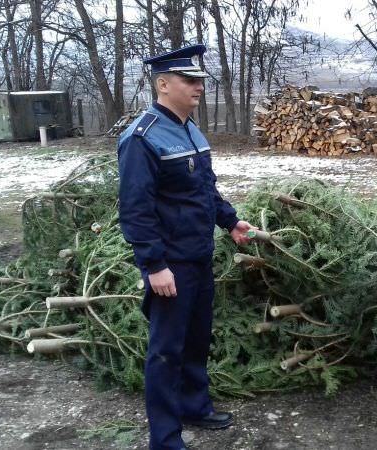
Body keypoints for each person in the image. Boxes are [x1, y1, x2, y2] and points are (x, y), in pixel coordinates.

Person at [117, 44, 254, 450]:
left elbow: (204, 189)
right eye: (189, 80)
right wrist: (154, 264)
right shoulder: (141, 138)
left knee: (196, 339)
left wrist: (229, 221)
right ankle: (164, 437)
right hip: (170, 264)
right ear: (163, 84)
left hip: (199, 256)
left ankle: (195, 406)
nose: (198, 87)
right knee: (166, 351)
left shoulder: (190, 128)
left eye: (200, 81)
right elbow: (135, 210)